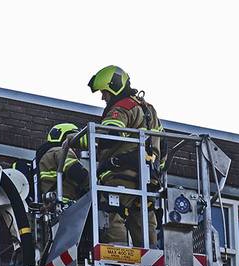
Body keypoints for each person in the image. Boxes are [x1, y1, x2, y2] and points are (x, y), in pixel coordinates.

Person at [85, 65, 164, 246]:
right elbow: (163, 145)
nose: (103, 97)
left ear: (113, 86)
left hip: (120, 175)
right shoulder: (149, 110)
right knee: (144, 220)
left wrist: (77, 140)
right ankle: (149, 261)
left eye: (104, 92)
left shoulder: (121, 108)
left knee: (114, 215)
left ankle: (118, 257)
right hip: (148, 178)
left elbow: (109, 136)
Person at [35, 122, 90, 201]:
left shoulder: (46, 156)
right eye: (75, 142)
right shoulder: (60, 151)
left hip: (52, 204)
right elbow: (75, 170)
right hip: (64, 203)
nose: (77, 148)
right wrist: (95, 184)